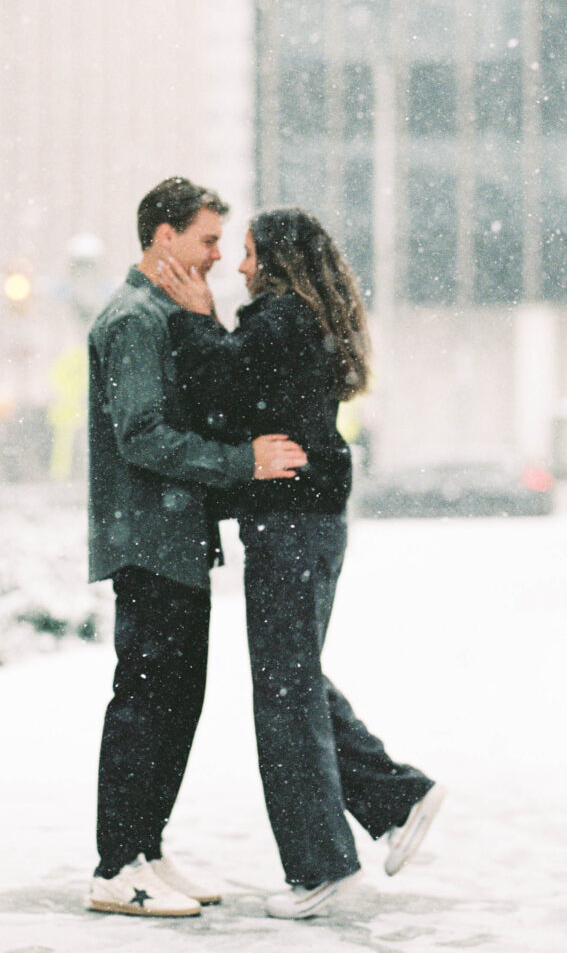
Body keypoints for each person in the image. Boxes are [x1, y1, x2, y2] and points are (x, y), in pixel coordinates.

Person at [159, 207, 445, 920]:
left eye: (251, 253)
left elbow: (218, 394)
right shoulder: (300, 320)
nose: (241, 267)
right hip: (304, 525)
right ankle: (395, 798)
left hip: (291, 526)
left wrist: (196, 317)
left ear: (280, 261)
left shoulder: (279, 319)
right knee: (293, 680)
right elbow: (242, 392)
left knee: (283, 697)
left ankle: (321, 867)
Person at [86, 179, 308, 918]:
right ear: (163, 237)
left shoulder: (163, 314)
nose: (217, 255)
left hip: (174, 539)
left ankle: (144, 849)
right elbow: (141, 435)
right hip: (148, 540)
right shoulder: (134, 321)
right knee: (146, 703)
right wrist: (239, 461)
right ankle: (117, 864)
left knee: (175, 703)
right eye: (208, 240)